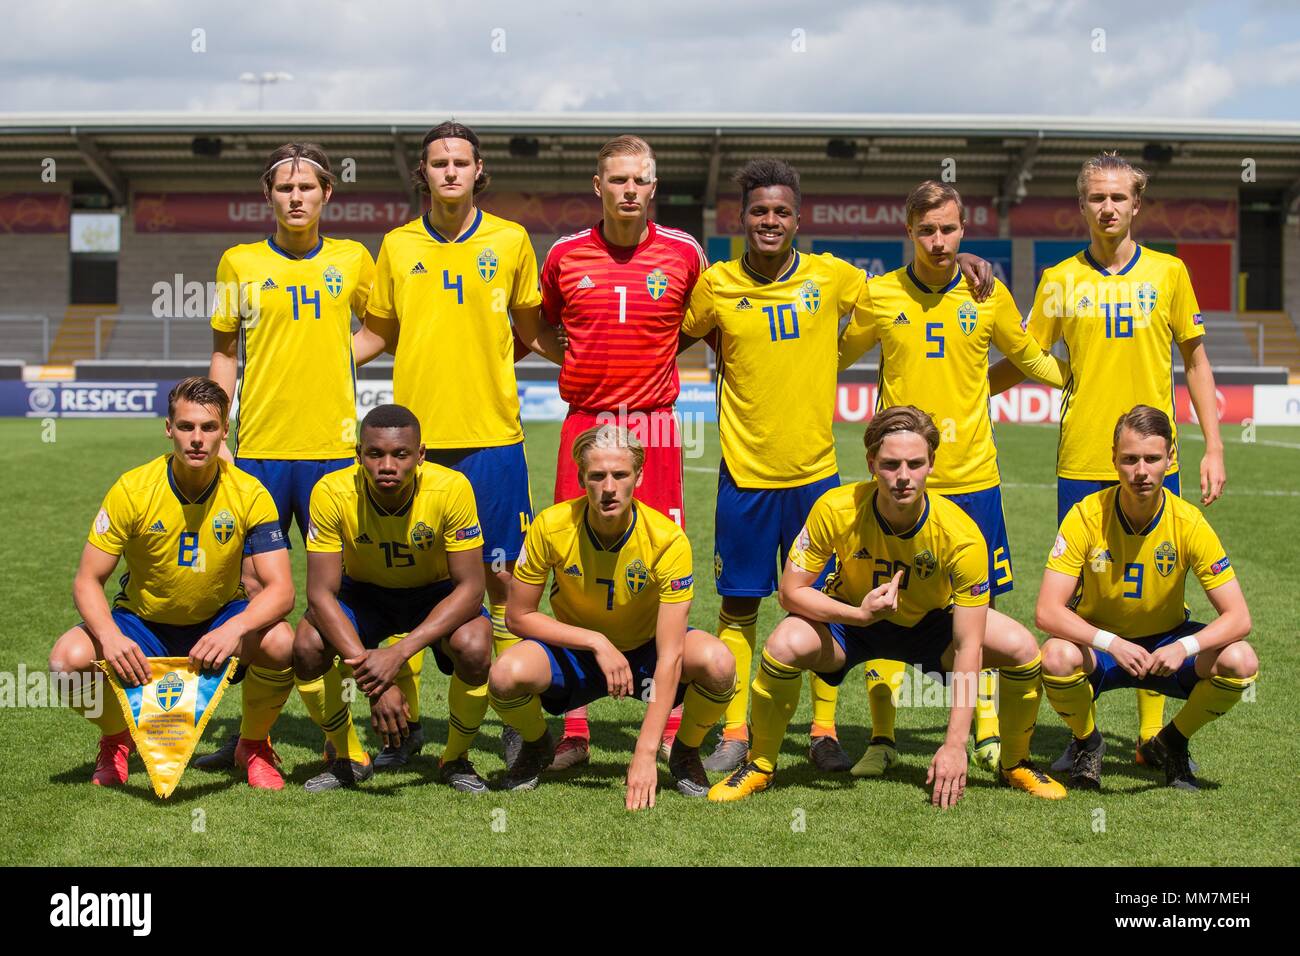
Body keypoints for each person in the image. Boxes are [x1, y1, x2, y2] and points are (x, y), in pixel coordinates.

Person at [680, 159, 994, 774]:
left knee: (820, 604)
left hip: (818, 477)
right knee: (739, 608)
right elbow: (682, 335)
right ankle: (737, 730)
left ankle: (823, 731)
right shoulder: (715, 285)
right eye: (759, 212)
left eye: (782, 212)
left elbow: (915, 279)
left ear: (800, 219)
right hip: (743, 475)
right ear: (741, 218)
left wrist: (966, 262)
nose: (770, 221)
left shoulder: (835, 277)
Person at [991, 151, 1228, 773]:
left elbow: (1197, 360)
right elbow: (1025, 356)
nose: (1108, 207)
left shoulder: (1170, 274)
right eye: (1097, 196)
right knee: (1079, 604)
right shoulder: (1058, 279)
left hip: (1153, 457)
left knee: (1159, 599)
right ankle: (1085, 736)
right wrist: (966, 389)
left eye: (1119, 197)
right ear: (1082, 204)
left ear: (1136, 204)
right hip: (1082, 458)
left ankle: (1154, 733)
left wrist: (1215, 444)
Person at [707, 406, 1065, 804]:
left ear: (931, 464)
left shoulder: (962, 536)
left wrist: (953, 744)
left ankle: (1015, 763)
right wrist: (859, 613)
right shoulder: (835, 508)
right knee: (784, 642)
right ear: (871, 464)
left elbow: (968, 646)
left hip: (930, 627)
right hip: (852, 623)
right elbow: (791, 592)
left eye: (915, 463)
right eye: (891, 464)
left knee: (1021, 647)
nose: (903, 476)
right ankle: (759, 766)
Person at [837, 180, 1067, 777]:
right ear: (908, 233)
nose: (939, 241)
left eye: (949, 229)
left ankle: (984, 733)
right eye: (927, 231)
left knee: (977, 611)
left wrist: (1083, 378)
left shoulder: (986, 293)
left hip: (972, 478)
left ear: (965, 231)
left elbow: (1028, 356)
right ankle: (882, 738)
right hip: (904, 480)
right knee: (887, 604)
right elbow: (831, 357)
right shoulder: (881, 294)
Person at [355, 121, 563, 766]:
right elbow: (374, 336)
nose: (450, 171)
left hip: (493, 437)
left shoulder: (511, 240)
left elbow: (532, 331)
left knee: (503, 578)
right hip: (413, 444)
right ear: (424, 172)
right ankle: (404, 724)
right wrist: (302, 360)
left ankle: (506, 708)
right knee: (401, 573)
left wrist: (596, 368)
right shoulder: (395, 246)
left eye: (461, 162)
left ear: (479, 171)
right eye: (439, 162)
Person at [198, 142, 375, 771]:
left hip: (333, 451)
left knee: (340, 593)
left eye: (307, 188)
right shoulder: (239, 262)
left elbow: (384, 328)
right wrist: (215, 425)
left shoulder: (354, 259)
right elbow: (225, 351)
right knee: (252, 592)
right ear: (268, 197)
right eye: (284, 188)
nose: (296, 197)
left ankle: (341, 738)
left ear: (329, 194)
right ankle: (255, 738)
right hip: (260, 452)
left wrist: (333, 362)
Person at [538, 134, 707, 767]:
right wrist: (574, 363)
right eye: (618, 180)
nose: (629, 190)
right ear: (599, 186)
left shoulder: (686, 253)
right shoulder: (564, 255)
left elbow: (713, 321)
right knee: (568, 557)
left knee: (667, 564)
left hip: (658, 426)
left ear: (653, 188)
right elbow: (536, 323)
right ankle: (574, 728)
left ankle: (669, 721)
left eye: (640, 180)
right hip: (584, 420)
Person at [48, 377, 294, 790]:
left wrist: (234, 628)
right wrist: (109, 637)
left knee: (282, 643)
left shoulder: (250, 493)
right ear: (168, 428)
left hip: (219, 620)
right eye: (186, 427)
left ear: (224, 431)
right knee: (65, 662)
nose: (197, 439)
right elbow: (87, 581)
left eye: (209, 428)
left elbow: (281, 590)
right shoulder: (133, 489)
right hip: (143, 622)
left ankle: (252, 746)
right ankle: (115, 739)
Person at [489, 425, 736, 809]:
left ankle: (685, 752)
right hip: (575, 654)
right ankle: (538, 745)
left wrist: (643, 752)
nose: (609, 487)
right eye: (597, 475)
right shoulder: (551, 526)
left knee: (718, 662)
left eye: (620, 475)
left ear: (638, 476)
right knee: (504, 675)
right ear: (580, 478)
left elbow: (670, 655)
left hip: (646, 653)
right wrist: (595, 641)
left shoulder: (667, 540)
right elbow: (518, 616)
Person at [1037, 406, 1256, 791]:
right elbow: (1046, 611)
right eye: (1130, 459)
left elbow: (1239, 617)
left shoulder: (1188, 522)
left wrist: (1185, 647)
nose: (1141, 471)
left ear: (1170, 459)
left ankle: (1172, 741)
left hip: (1166, 644)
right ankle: (1089, 743)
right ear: (1114, 460)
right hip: (1102, 648)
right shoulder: (1085, 516)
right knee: (1056, 655)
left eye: (1152, 458)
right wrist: (1111, 643)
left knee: (1240, 659)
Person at [293, 404, 496, 793]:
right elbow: (320, 594)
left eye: (400, 454)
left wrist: (397, 653)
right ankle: (350, 757)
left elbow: (471, 589)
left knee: (473, 644)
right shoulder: (331, 491)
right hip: (365, 593)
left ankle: (455, 759)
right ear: (359, 455)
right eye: (375, 454)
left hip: (433, 593)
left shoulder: (451, 488)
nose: (387, 465)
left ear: (420, 456)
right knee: (306, 644)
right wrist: (378, 683)